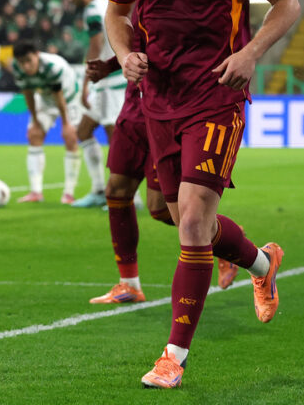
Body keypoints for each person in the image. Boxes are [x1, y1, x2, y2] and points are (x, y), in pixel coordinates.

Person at [104, 0, 301, 388]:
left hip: (216, 95)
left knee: (191, 220)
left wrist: (250, 53)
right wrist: (124, 56)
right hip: (158, 103)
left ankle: (173, 357)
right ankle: (262, 263)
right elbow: (115, 12)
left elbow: (288, 2)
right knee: (173, 216)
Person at [86, 53, 240, 305]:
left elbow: (164, 42)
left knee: (159, 208)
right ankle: (129, 285)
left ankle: (223, 237)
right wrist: (110, 65)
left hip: (165, 114)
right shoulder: (130, 12)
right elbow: (134, 40)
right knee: (116, 190)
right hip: (133, 111)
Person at [67, 0, 129, 209]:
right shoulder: (106, 4)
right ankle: (98, 190)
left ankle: (128, 195)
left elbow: (96, 44)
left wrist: (85, 81)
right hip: (109, 81)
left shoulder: (93, 10)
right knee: (83, 131)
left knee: (116, 138)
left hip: (109, 84)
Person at [10, 41, 82, 204]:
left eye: (29, 60)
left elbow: (59, 96)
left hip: (69, 100)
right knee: (34, 135)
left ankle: (68, 194)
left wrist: (65, 124)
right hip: (44, 98)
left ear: (37, 55)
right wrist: (35, 120)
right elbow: (27, 93)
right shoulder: (16, 68)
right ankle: (36, 192)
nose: (26, 66)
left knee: (70, 138)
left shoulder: (52, 67)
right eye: (22, 63)